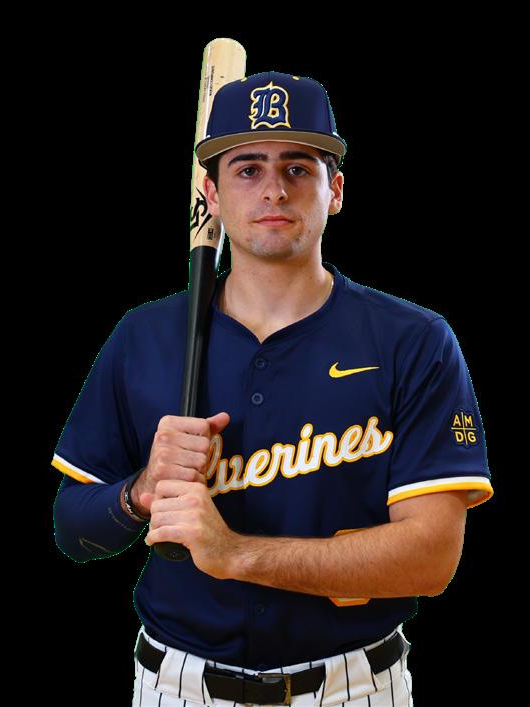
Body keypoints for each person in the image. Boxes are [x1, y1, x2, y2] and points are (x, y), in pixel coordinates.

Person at [51, 71, 494, 707]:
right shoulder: (144, 335)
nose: (274, 190)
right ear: (210, 193)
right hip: (177, 685)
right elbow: (72, 530)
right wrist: (139, 491)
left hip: (354, 686)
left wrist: (236, 554)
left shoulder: (414, 340)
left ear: (335, 190)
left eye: (298, 168)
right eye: (248, 168)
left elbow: (431, 559)